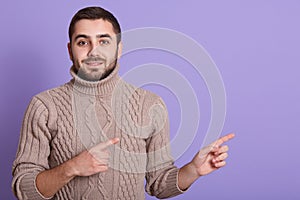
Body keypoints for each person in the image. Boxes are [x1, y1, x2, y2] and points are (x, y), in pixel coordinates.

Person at [12, 6, 235, 200]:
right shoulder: (44, 106)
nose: (93, 51)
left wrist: (193, 170)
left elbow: (159, 184)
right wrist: (72, 168)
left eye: (103, 41)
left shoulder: (150, 105)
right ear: (70, 50)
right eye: (83, 42)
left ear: (118, 48)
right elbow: (23, 189)